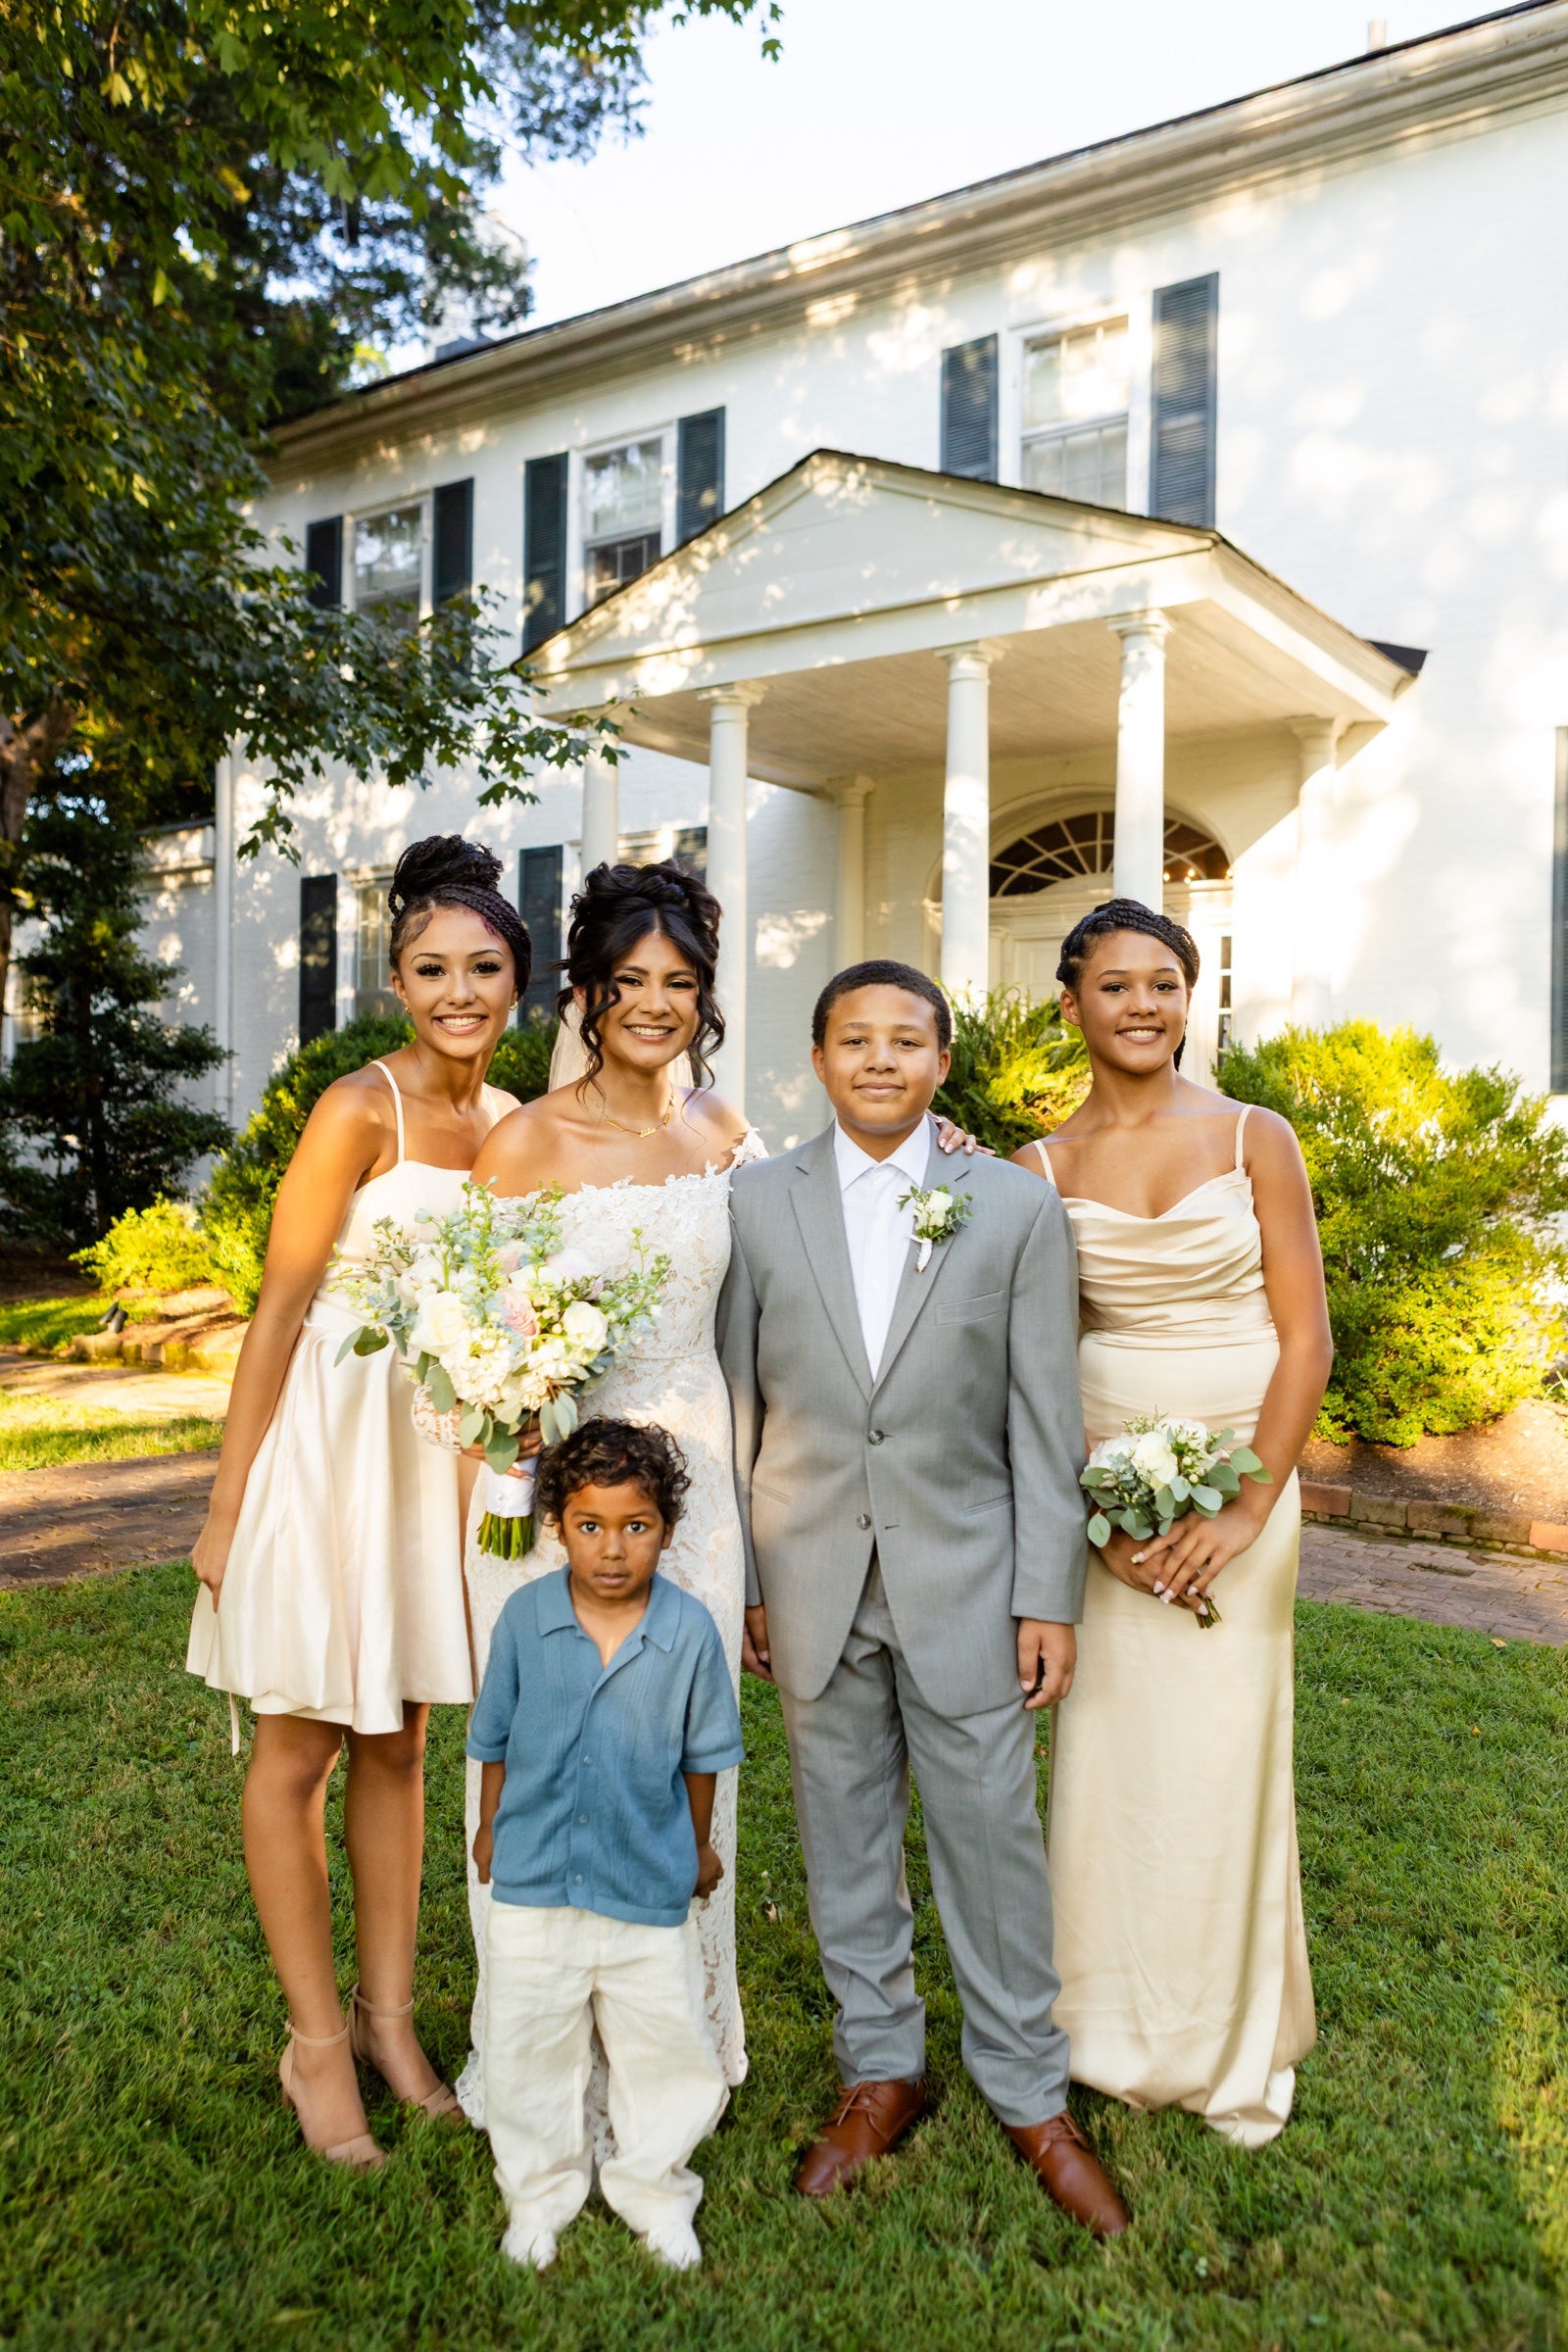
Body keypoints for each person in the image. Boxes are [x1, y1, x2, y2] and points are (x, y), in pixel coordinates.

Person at [455, 865, 983, 2131]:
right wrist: (512, 1407)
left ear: (704, 1000)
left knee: (680, 1754)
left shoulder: (724, 1132)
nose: (655, 1004)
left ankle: (671, 2038)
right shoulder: (525, 1142)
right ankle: (547, 2056)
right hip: (559, 1485)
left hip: (702, 1481)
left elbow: (821, 1232)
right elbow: (473, 1329)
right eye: (630, 981)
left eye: (680, 983)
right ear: (587, 992)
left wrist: (938, 1156)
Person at [717, 957, 1128, 2235]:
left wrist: (1046, 1595)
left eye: (907, 1041)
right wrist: (748, 1582)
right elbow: (737, 1408)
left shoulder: (1010, 1206)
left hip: (966, 1574)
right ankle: (880, 2069)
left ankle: (1029, 2091)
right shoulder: (755, 1203)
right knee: (842, 1841)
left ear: (944, 1062)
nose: (881, 1060)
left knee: (991, 1841)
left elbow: (1042, 1414)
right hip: (811, 1572)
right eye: (855, 1040)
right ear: (818, 1061)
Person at [186, 836, 526, 2170]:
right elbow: (278, 1310)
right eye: (432, 969)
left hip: (436, 1457)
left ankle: (391, 2026)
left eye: (482, 968)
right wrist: (227, 1506)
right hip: (332, 1448)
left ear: (517, 980)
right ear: (397, 983)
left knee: (400, 1740)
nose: (458, 992)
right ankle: (315, 2046)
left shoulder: (513, 1122)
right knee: (301, 1749)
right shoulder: (356, 1110)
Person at [1013, 897, 1331, 2148]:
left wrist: (1247, 1508)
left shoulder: (1256, 1137)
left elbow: (1305, 1339)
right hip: (1106, 1501)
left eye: (1163, 982)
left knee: (1223, 1749)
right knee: (1111, 1759)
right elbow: (1036, 1365)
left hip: (1245, 1488)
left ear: (1188, 999)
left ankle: (1225, 2031)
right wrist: (1093, 1523)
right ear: (1071, 1005)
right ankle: (1101, 2023)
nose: (1141, 1004)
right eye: (1114, 984)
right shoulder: (1037, 1169)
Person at [469, 1418, 743, 2274]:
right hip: (535, 1879)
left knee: (665, 2046)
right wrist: (489, 1824)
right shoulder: (524, 1619)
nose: (614, 1549)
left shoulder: (688, 1632)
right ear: (558, 1525)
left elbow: (703, 1758)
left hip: (644, 1880)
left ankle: (656, 2191)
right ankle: (538, 2195)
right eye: (591, 1526)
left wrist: (697, 1849)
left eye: (637, 1527)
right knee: (528, 2047)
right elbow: (494, 1738)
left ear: (667, 1527)